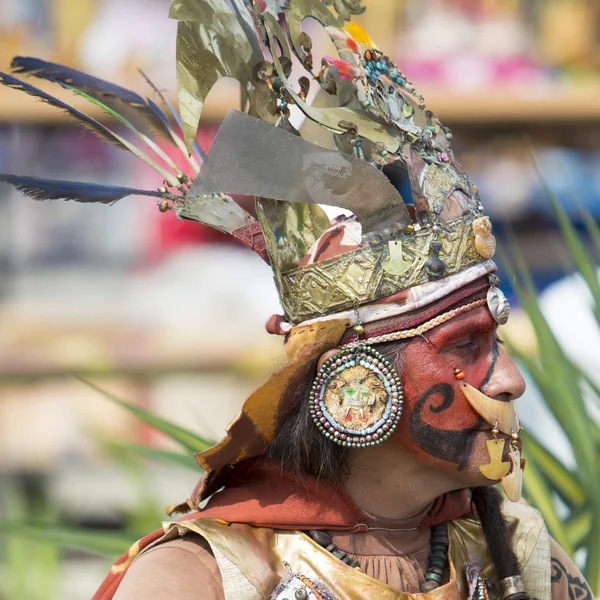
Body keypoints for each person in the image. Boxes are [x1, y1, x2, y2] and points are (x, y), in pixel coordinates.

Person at [0, 1, 593, 598]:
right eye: (465, 344)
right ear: (355, 382)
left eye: (494, 339)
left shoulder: (519, 552)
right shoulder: (204, 578)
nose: (511, 380)